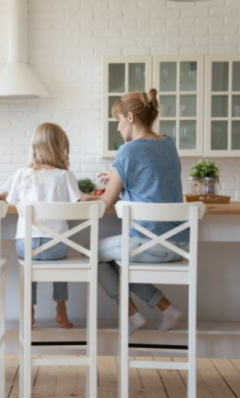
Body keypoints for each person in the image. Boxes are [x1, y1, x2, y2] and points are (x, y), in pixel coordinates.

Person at [81, 89, 186, 332]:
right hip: (178, 245)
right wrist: (118, 175)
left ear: (130, 117)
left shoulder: (128, 151)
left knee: (88, 252)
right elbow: (152, 177)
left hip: (149, 244)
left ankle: (131, 315)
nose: (118, 128)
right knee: (115, 260)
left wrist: (84, 196)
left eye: (118, 121)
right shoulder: (169, 144)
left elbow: (106, 202)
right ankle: (167, 309)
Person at [0, 122, 81, 329]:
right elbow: (78, 202)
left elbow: (4, 198)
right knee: (59, 260)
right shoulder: (65, 176)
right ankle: (61, 309)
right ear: (60, 148)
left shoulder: (21, 175)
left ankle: (30, 310)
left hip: (27, 244)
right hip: (56, 246)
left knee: (29, 262)